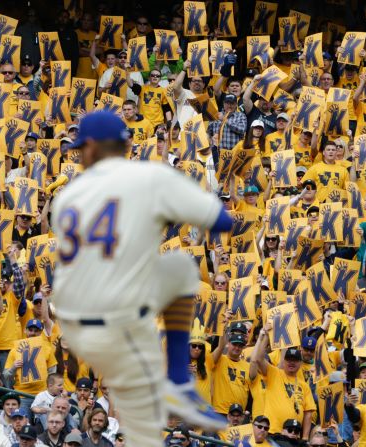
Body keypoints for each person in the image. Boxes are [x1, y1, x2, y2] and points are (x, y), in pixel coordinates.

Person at [52, 111, 232, 442]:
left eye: (83, 148)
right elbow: (220, 220)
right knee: (180, 266)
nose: (80, 154)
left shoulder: (68, 198)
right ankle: (178, 376)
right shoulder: (145, 180)